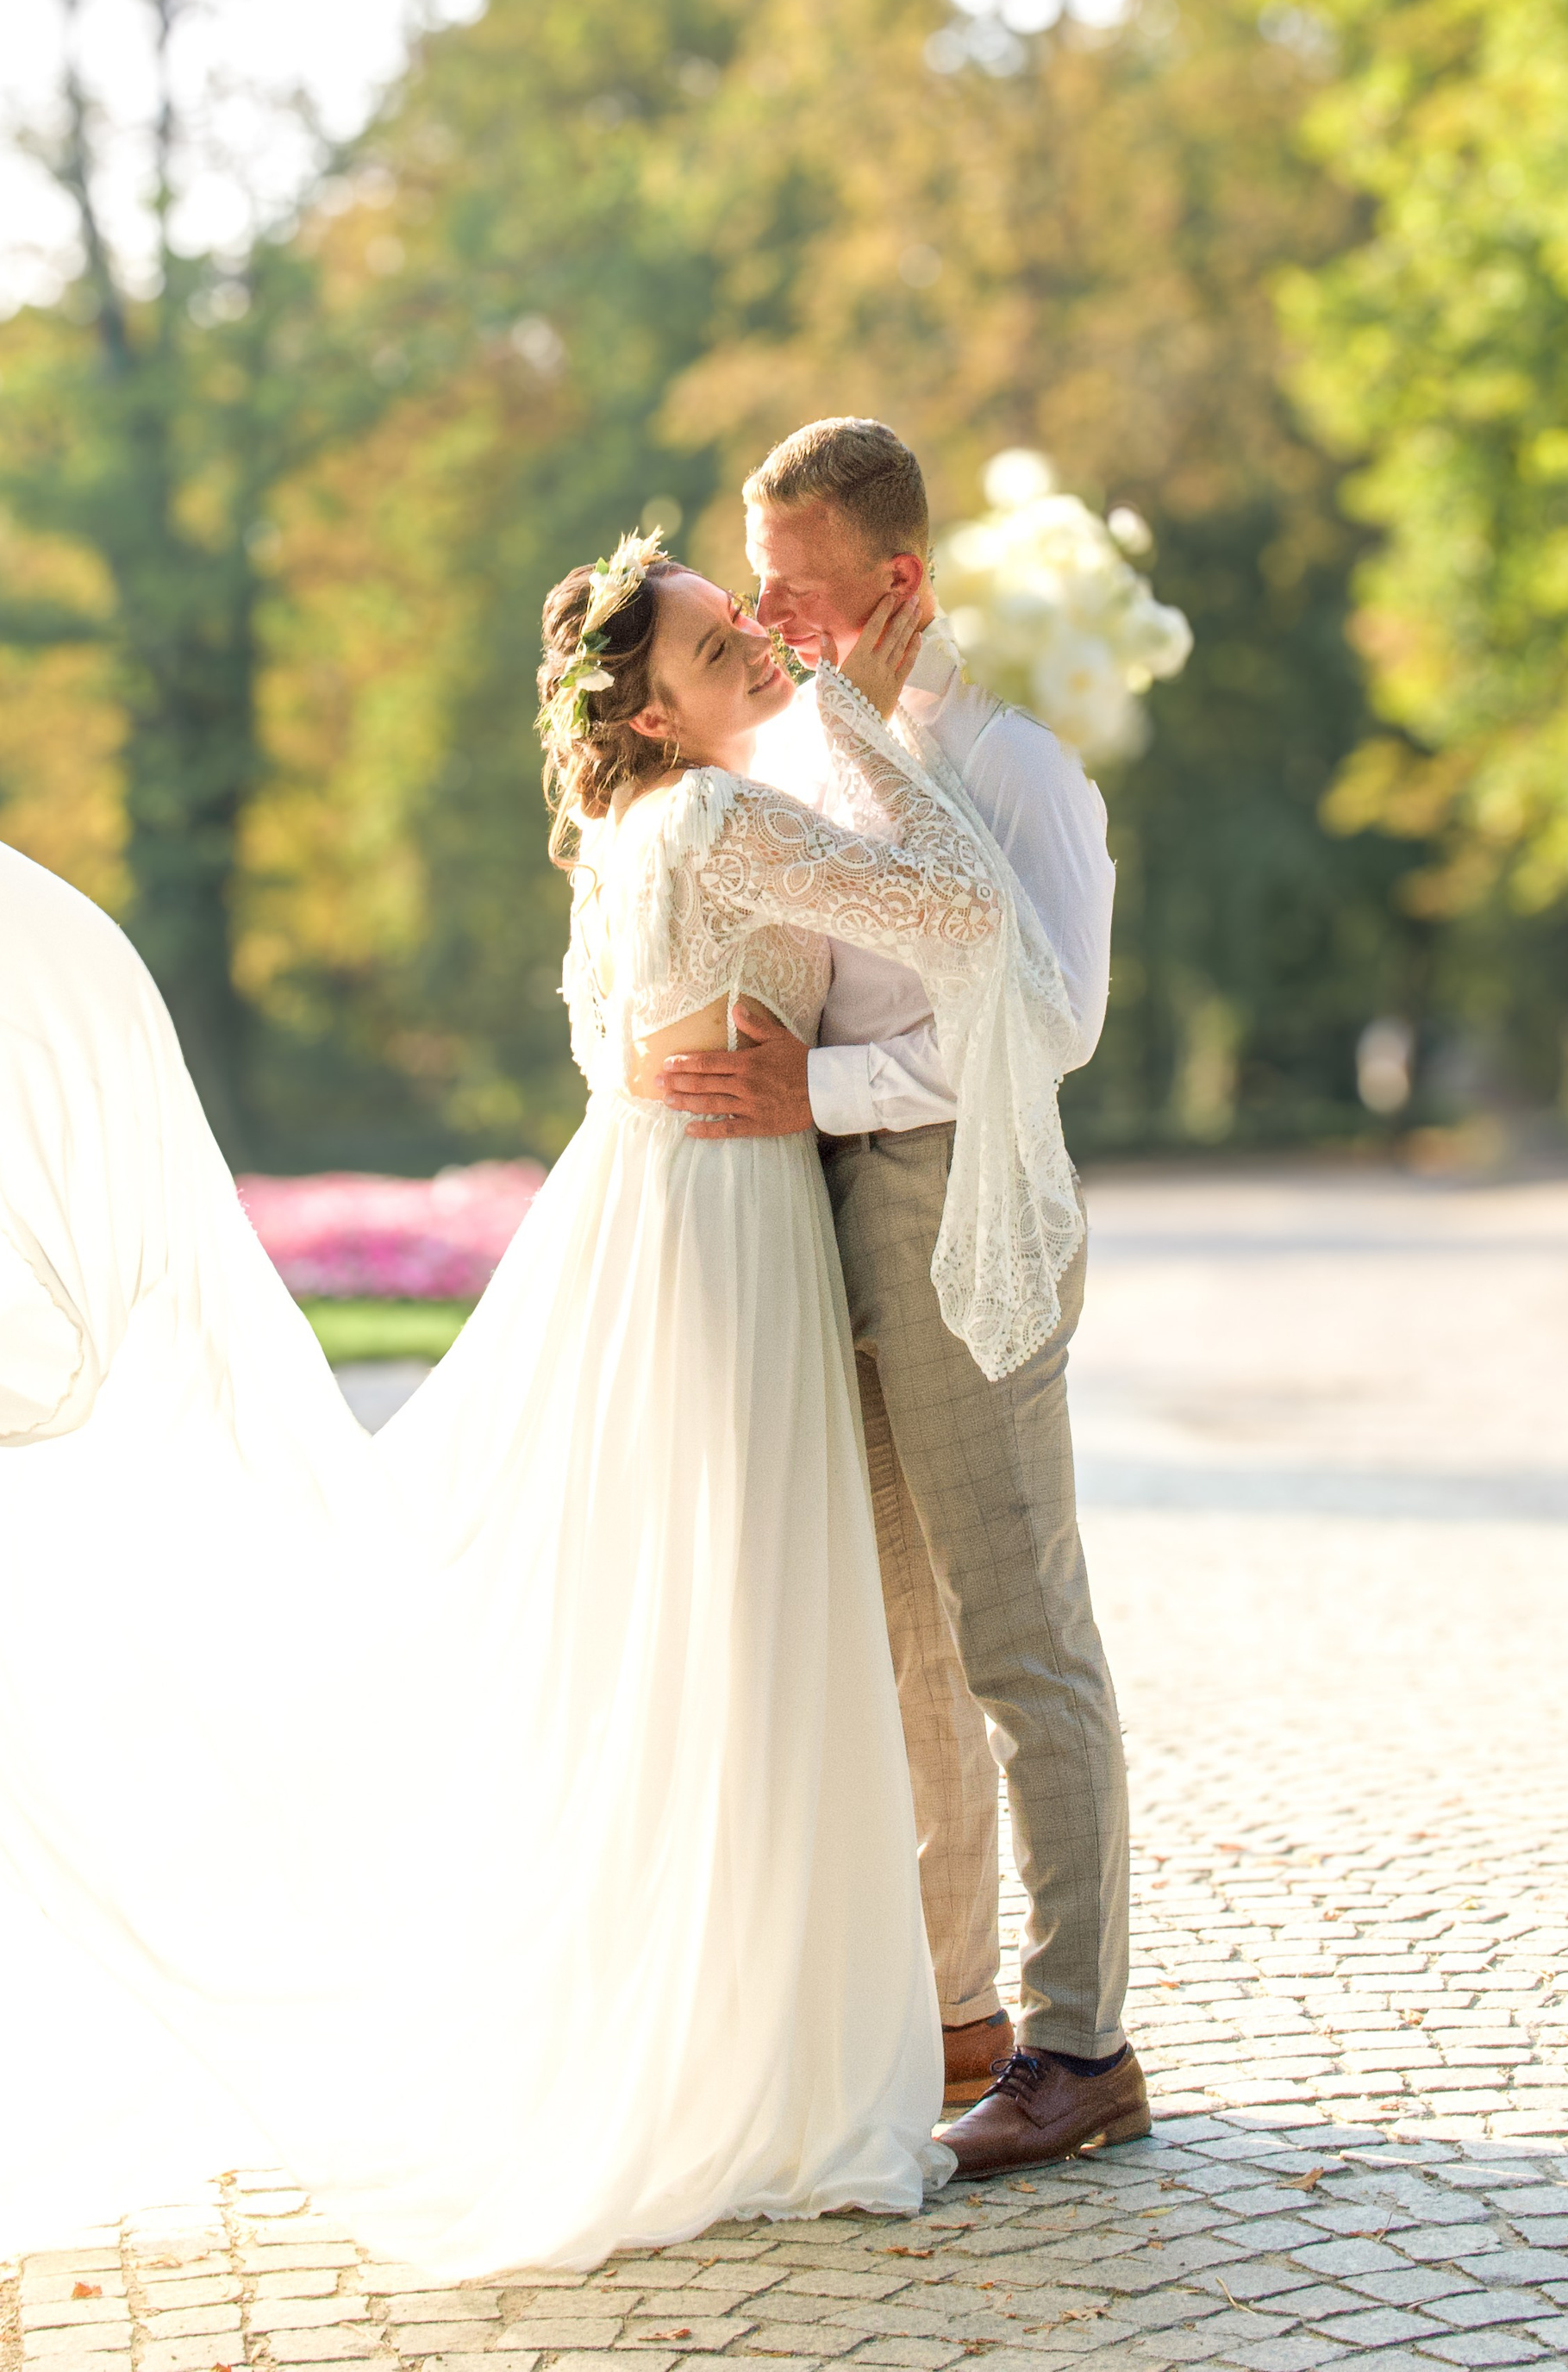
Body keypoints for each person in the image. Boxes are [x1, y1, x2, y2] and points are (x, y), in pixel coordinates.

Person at [0, 534, 1084, 2303]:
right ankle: (753, 2063)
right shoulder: (721, 824)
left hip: (660, 1217)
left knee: (683, 1636)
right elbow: (967, 912)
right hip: (712, 1240)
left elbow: (611, 1057)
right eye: (718, 637)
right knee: (728, 1632)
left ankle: (730, 2039)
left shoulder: (632, 842)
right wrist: (865, 711)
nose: (750, 645)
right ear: (650, 706)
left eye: (744, 627)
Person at [657, 417, 1146, 2175]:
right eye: (752, 580)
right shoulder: (787, 752)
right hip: (815, 1222)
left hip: (962, 1210)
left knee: (1020, 1630)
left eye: (792, 587)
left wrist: (822, 1096)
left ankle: (1080, 2041)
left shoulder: (1013, 772)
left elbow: (1045, 1028)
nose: (771, 618)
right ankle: (956, 2011)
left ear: (896, 581)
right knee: (899, 1640)